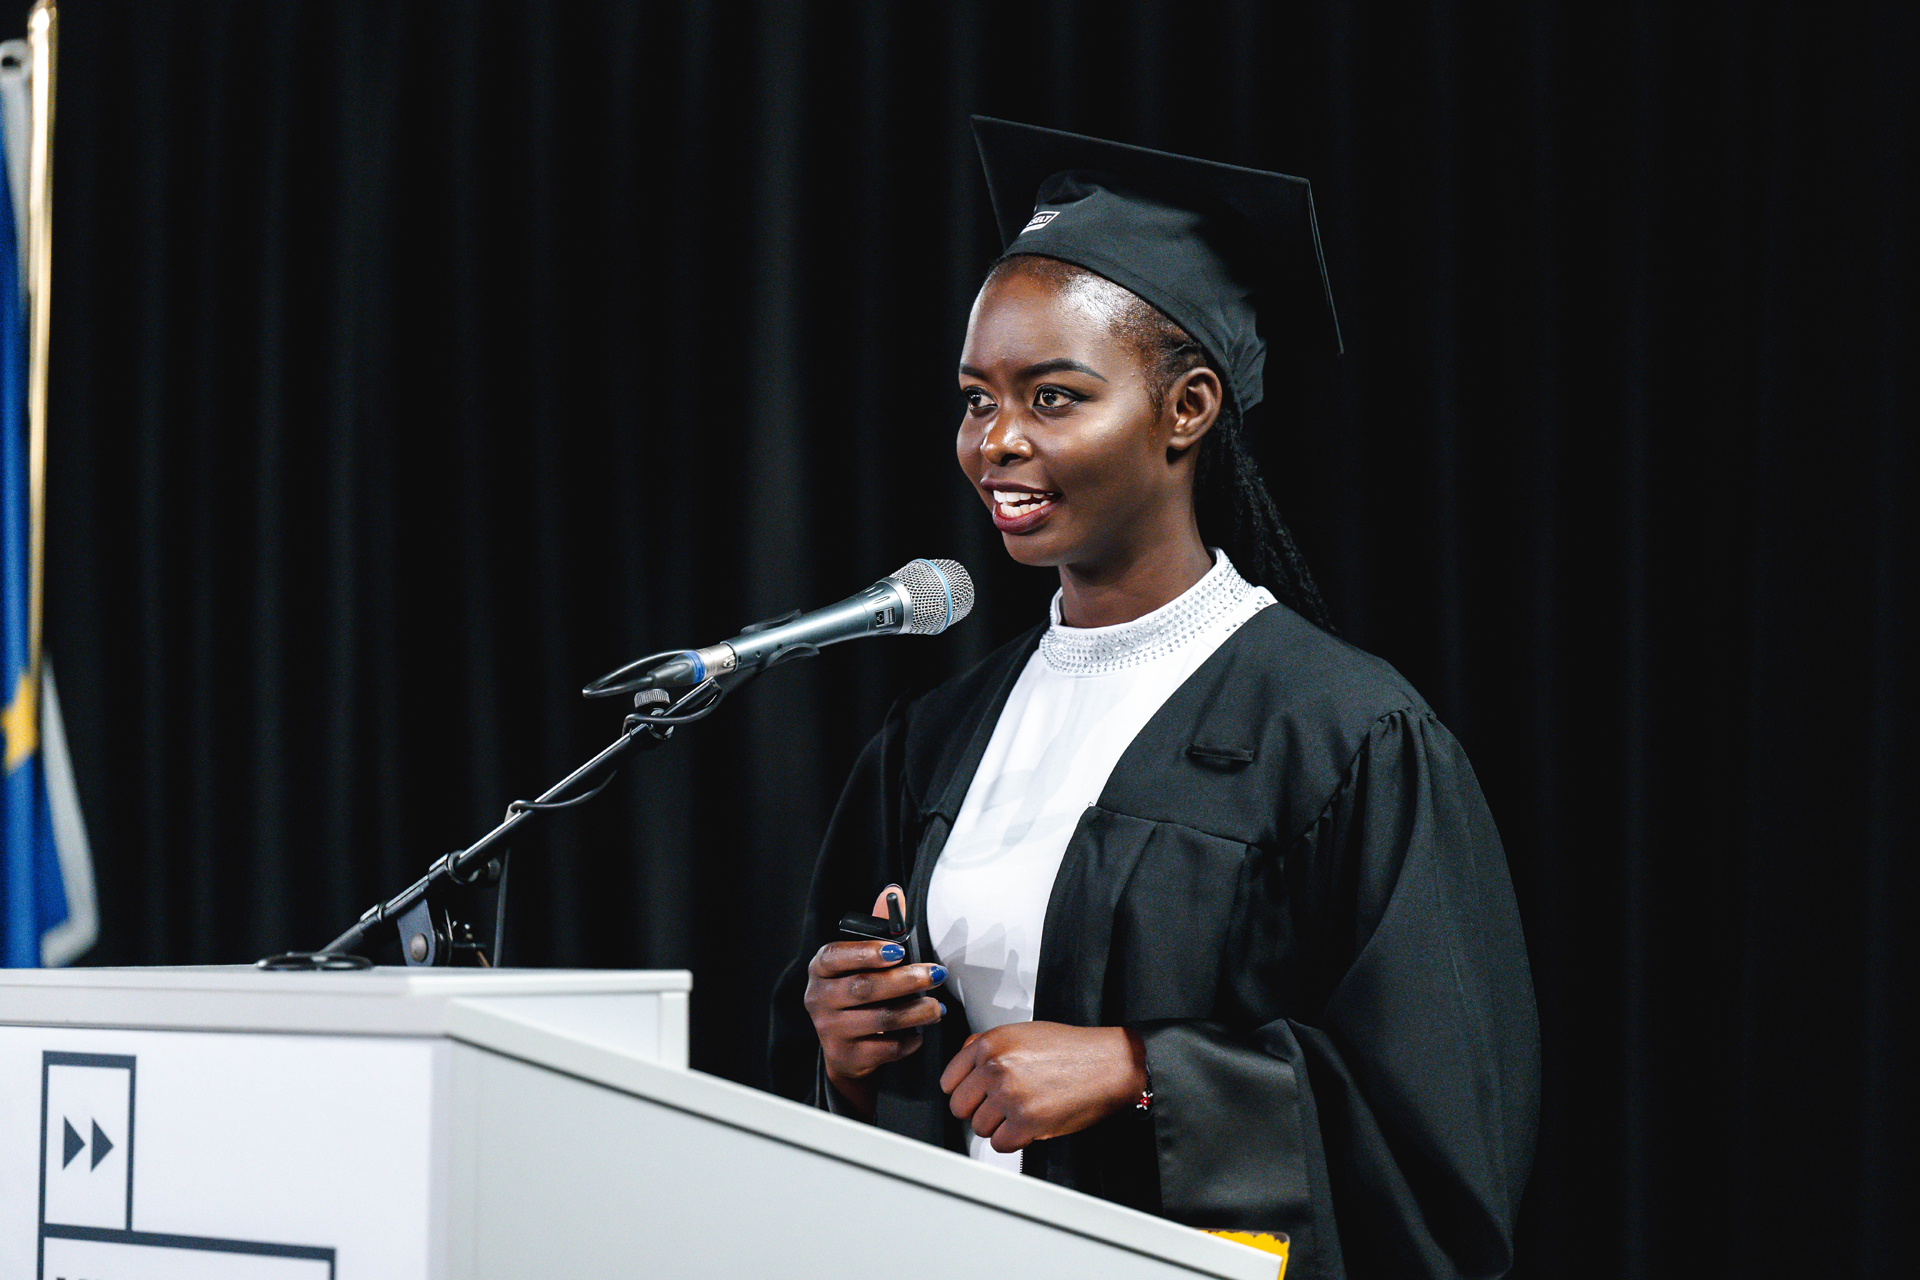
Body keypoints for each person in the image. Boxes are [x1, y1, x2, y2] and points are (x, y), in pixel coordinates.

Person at [769, 117, 1539, 1280]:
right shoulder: (938, 738)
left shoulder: (1339, 735)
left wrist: (1142, 1070)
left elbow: (1439, 1133)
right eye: (976, 399)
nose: (997, 441)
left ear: (1188, 408)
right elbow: (838, 1103)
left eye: (1054, 397)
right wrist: (843, 1050)